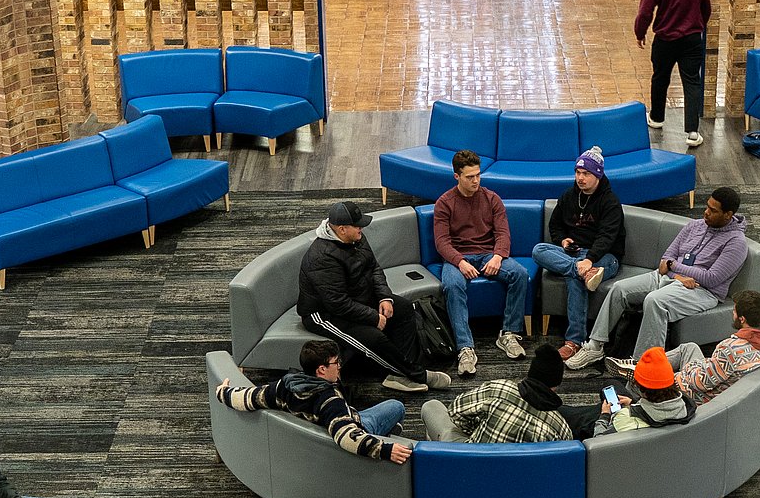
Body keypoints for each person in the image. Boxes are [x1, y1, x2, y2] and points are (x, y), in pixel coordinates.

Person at [565, 187, 751, 370]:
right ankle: (595, 346)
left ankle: (644, 365)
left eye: (713, 210)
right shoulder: (695, 225)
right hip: (669, 277)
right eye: (707, 206)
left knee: (655, 301)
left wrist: (674, 266)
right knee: (619, 289)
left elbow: (712, 278)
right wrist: (675, 273)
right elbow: (666, 258)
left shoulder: (736, 243)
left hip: (702, 290)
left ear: (728, 215)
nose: (706, 212)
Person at [300, 200, 453, 392]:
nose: (361, 228)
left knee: (404, 308)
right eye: (357, 225)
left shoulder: (356, 239)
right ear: (341, 229)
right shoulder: (322, 257)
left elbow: (374, 268)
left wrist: (385, 297)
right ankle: (416, 374)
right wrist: (373, 317)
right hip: (324, 314)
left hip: (356, 299)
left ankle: (400, 373)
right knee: (372, 338)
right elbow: (337, 303)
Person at [216, 340, 414, 463]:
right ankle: (386, 436)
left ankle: (389, 432)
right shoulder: (330, 401)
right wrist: (385, 449)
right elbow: (346, 437)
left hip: (332, 420)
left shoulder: (285, 386)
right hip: (355, 425)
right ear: (321, 370)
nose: (339, 367)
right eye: (336, 363)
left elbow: (250, 397)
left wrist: (223, 392)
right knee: (396, 407)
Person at [434, 149, 532, 375]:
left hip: (488, 253)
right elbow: (441, 242)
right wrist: (459, 261)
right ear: (456, 176)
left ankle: (509, 333)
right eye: (470, 177)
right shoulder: (444, 203)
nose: (475, 180)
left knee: (519, 274)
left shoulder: (491, 198)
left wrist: (498, 256)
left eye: (478, 175)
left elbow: (503, 234)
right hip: (457, 257)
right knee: (452, 285)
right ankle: (465, 348)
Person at [532, 147, 627, 361]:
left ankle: (574, 341)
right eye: (577, 173)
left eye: (586, 174)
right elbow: (555, 225)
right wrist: (562, 240)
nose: (580, 178)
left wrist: (589, 259)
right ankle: (580, 271)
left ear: (598, 174)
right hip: (573, 254)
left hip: (605, 257)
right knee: (539, 250)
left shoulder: (610, 201)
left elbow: (607, 237)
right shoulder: (569, 196)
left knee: (574, 280)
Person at [609, 289, 760, 405]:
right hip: (713, 378)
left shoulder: (729, 349)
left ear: (742, 319)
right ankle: (640, 366)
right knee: (688, 348)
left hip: (696, 397)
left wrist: (679, 373)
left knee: (638, 382)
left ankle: (634, 395)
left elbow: (698, 383)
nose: (732, 313)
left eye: (734, 311)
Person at [421, 343, 574, 443]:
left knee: (431, 406)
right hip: (522, 485)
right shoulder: (561, 429)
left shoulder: (499, 389)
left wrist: (479, 429)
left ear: (531, 373)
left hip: (471, 466)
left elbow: (455, 412)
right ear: (556, 385)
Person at [635, 0, 713, 148]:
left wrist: (640, 32)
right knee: (692, 82)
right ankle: (692, 132)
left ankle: (656, 118)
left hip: (664, 40)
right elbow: (706, 8)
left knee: (660, 78)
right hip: (692, 39)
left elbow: (645, 11)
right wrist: (698, 26)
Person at [594, 347, 698, 436]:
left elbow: (598, 444)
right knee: (611, 384)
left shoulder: (623, 419)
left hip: (625, 431)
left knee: (583, 417)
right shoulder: (689, 408)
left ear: (641, 390)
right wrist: (633, 403)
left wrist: (604, 416)